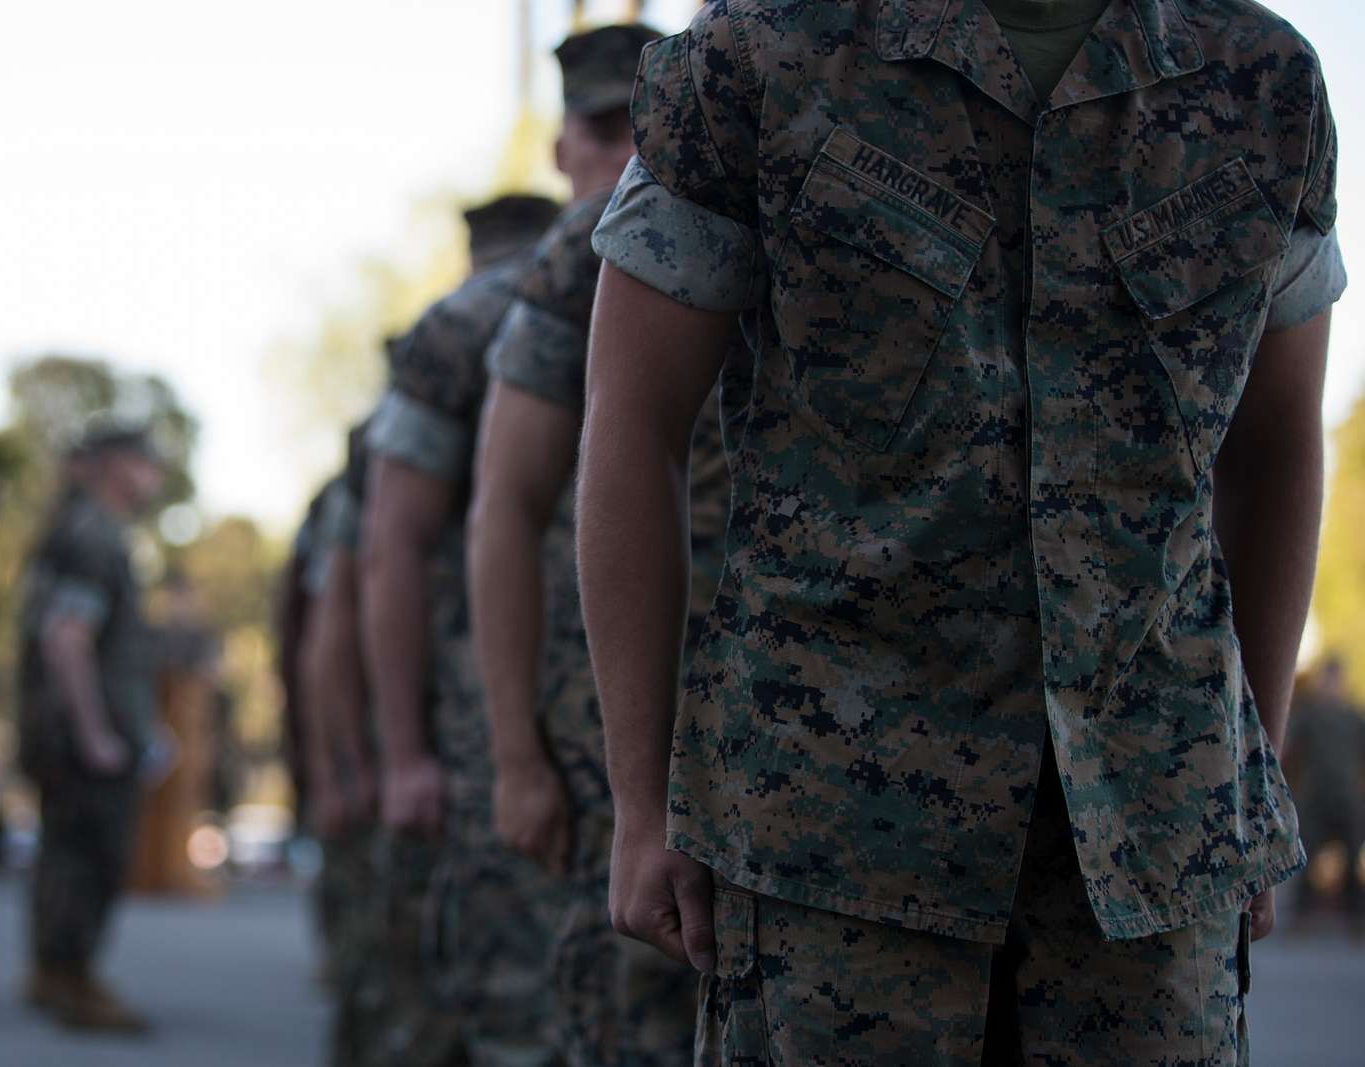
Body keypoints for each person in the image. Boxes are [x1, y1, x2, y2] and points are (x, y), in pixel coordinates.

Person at [578, 1, 1345, 1062]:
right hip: (835, 837)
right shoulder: (761, 53)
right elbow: (631, 423)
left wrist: (1243, 776)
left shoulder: (1261, 82)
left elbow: (1276, 446)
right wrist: (636, 797)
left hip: (1150, 837)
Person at [466, 23, 712, 1066]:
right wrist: (518, 757)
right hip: (613, 727)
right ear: (562, 146)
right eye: (598, 131)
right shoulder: (578, 260)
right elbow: (503, 508)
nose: (621, 154)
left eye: (637, 127)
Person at [361, 193, 562, 1065]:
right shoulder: (466, 327)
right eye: (594, 126)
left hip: (648, 726)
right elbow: (379, 557)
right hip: (486, 725)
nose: (615, 150)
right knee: (495, 1000)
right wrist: (400, 755)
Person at [16, 424, 165, 1034]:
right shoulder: (94, 535)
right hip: (81, 734)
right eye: (147, 464)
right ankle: (72, 979)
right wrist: (96, 731)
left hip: (65, 728)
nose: (154, 479)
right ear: (116, 466)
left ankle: (55, 973)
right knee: (90, 857)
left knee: (64, 854)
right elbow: (67, 639)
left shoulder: (74, 528)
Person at [1285, 655, 1365, 934]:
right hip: (1314, 796)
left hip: (1347, 798)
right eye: (1327, 677)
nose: (1331, 684)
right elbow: (1291, 753)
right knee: (1305, 856)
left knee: (1353, 858)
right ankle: (1301, 919)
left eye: (1335, 677)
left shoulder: (1353, 716)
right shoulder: (1308, 715)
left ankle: (1357, 920)